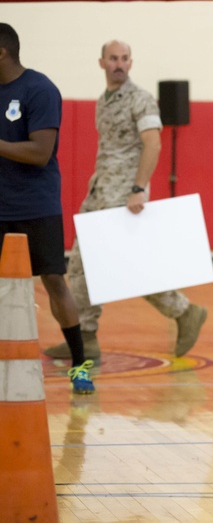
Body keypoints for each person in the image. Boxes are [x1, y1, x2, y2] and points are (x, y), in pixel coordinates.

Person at [43, 40, 208, 361]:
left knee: (127, 267)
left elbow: (153, 144)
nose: (119, 64)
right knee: (79, 266)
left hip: (124, 195)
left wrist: (138, 188)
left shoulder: (139, 99)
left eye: (124, 58)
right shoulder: (103, 102)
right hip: (99, 192)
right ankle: (85, 336)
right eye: (113, 58)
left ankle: (184, 311)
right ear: (102, 63)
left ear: (131, 63)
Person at [0, 23, 95, 394]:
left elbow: (40, 153)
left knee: (54, 280)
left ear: (2, 52)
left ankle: (79, 365)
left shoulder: (39, 89)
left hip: (34, 204)